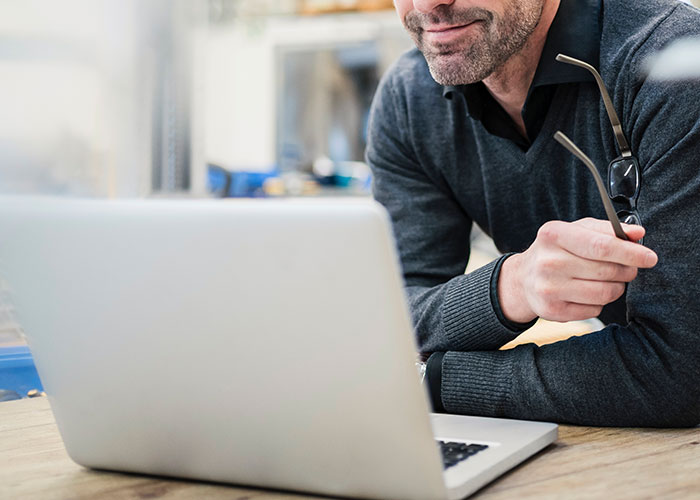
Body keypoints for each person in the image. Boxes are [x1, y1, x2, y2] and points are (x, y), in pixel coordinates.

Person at [366, 0, 700, 427]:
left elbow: (676, 372)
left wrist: (434, 380)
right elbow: (391, 315)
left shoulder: (674, 65)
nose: (429, 4)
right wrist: (511, 286)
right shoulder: (410, 99)